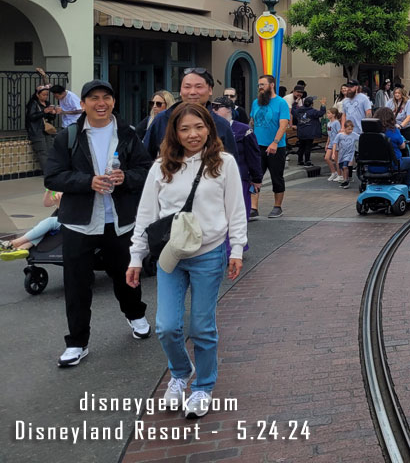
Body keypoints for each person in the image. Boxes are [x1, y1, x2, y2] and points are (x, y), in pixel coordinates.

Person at [127, 103, 246, 419]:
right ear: (174, 133)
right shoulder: (161, 166)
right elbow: (146, 215)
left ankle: (204, 387)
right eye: (184, 129)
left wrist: (236, 250)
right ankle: (180, 373)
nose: (193, 134)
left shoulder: (223, 163)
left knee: (202, 326)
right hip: (171, 254)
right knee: (166, 326)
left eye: (199, 127)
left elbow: (235, 210)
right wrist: (135, 257)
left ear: (209, 128)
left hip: (208, 253)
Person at [43, 79, 153, 367]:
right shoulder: (68, 136)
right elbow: (53, 177)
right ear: (83, 104)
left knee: (126, 276)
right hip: (79, 223)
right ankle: (77, 342)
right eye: (93, 98)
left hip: (119, 221)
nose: (100, 103)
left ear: (113, 102)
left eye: (106, 97)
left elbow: (146, 170)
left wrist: (126, 178)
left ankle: (135, 314)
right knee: (77, 284)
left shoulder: (128, 133)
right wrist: (87, 181)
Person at [143, 69, 237, 161]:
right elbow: (145, 159)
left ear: (210, 90)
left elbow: (231, 165)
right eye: (187, 87)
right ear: (180, 90)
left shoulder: (221, 124)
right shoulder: (162, 119)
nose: (192, 92)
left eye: (198, 87)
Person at [212, 96, 261, 226]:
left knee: (237, 216)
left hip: (240, 177)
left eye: (217, 107)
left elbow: (253, 155)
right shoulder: (208, 128)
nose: (214, 110)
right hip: (215, 178)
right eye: (212, 107)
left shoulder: (243, 130)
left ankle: (236, 244)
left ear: (229, 109)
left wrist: (257, 178)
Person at [249, 74, 290, 220]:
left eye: (263, 85)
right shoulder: (256, 103)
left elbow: (283, 124)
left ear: (272, 85)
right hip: (257, 146)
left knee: (276, 177)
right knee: (254, 177)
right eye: (259, 85)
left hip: (276, 147)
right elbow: (252, 121)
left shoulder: (281, 103)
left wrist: (275, 142)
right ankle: (254, 208)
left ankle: (277, 207)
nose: (260, 87)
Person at [0, 190, 62, 256]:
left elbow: (68, 214)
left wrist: (59, 204)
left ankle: (15, 243)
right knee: (44, 229)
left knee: (50, 222)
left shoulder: (72, 188)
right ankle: (23, 248)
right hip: (64, 218)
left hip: (71, 221)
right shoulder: (60, 187)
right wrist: (49, 191)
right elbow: (47, 204)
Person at [372, 107, 410, 193]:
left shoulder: (370, 133)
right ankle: (406, 185)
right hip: (391, 165)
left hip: (372, 167)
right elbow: (402, 147)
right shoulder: (393, 131)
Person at [26, 83, 57, 171]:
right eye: (43, 95)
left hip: (47, 130)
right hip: (36, 130)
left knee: (50, 150)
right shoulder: (33, 104)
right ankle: (48, 172)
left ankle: (52, 170)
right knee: (42, 151)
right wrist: (44, 112)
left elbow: (50, 118)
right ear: (37, 95)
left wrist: (52, 113)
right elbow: (31, 117)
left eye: (46, 95)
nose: (45, 97)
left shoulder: (47, 103)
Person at [292, 96, 325, 167]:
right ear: (311, 104)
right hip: (310, 132)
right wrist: (323, 105)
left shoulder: (299, 110)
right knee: (308, 147)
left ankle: (300, 160)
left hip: (301, 132)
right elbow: (321, 113)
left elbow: (293, 110)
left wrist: (295, 103)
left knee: (301, 146)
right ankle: (307, 161)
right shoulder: (313, 112)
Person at [336, 119, 356, 188]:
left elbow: (361, 138)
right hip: (342, 154)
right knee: (342, 167)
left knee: (345, 166)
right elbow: (335, 143)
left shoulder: (353, 135)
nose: (350, 131)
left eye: (351, 129)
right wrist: (333, 152)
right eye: (348, 129)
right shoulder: (340, 135)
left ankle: (346, 181)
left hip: (349, 154)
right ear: (344, 128)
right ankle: (345, 180)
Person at [324, 107, 342, 182]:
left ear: (333, 114)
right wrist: (327, 143)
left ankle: (339, 174)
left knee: (336, 160)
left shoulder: (336, 123)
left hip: (336, 143)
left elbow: (339, 133)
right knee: (327, 158)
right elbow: (329, 134)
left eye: (329, 113)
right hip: (331, 143)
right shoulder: (328, 123)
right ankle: (333, 172)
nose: (327, 114)